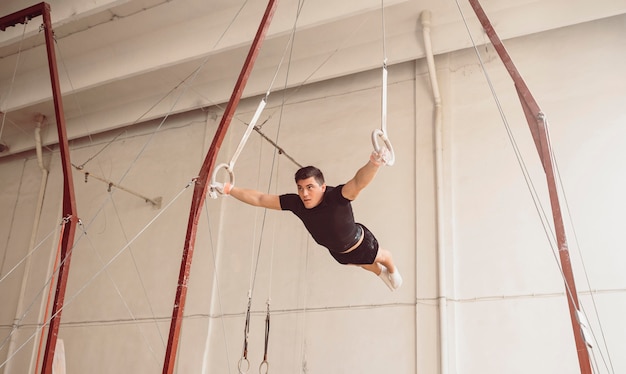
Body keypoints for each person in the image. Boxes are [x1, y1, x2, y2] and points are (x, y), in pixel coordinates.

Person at [216, 149, 402, 291]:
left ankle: (391, 270)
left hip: (360, 243)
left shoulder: (337, 197)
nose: (304, 193)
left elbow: (358, 182)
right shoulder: (296, 203)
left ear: (323, 187)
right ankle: (380, 274)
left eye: (310, 187)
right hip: (338, 253)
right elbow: (260, 199)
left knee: (382, 257)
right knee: (364, 265)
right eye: (300, 188)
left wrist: (374, 163)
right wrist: (229, 189)